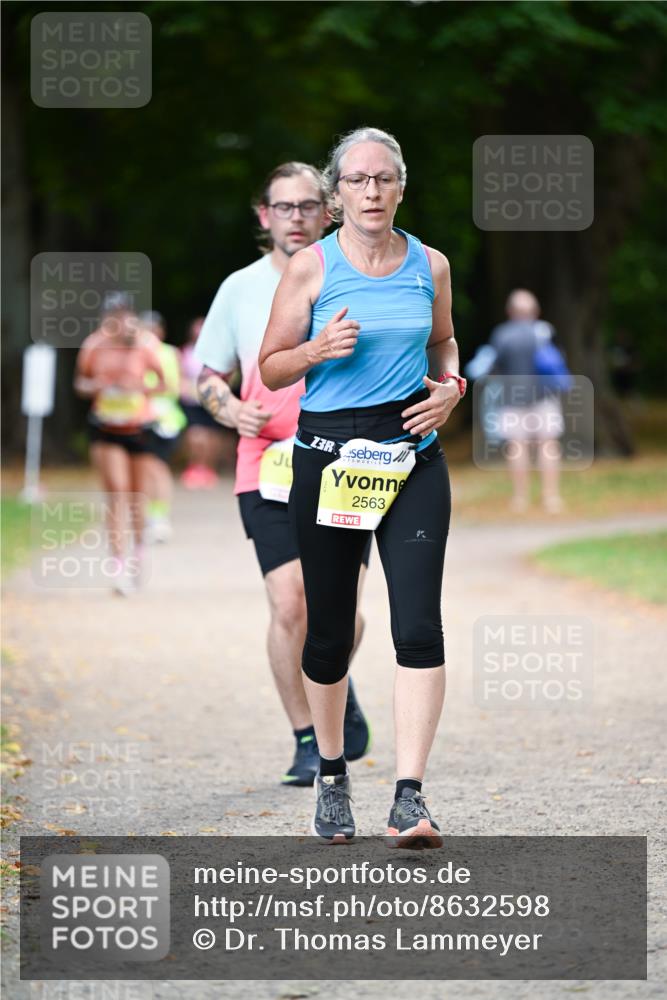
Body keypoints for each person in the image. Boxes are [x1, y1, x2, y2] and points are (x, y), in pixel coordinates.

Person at [259, 128, 464, 848]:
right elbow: (273, 367)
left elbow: (442, 341)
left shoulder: (429, 264)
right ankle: (332, 775)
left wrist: (452, 385)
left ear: (401, 186)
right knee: (326, 631)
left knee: (418, 625)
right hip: (329, 458)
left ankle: (409, 797)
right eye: (356, 181)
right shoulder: (311, 269)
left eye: (383, 179)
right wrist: (315, 348)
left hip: (412, 457)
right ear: (336, 193)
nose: (371, 192)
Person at [194, 161, 372, 787]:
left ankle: (330, 679)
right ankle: (306, 736)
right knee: (289, 600)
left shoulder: (355, 274)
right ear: (263, 214)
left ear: (328, 210)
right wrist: (231, 408)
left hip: (345, 461)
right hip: (265, 464)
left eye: (307, 205)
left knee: (343, 614)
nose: (295, 217)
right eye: (283, 207)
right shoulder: (240, 287)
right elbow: (207, 374)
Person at [74, 293, 165, 595]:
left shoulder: (145, 345)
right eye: (111, 317)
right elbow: (80, 383)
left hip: (138, 427)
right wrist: (97, 386)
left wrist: (138, 387)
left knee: (137, 497)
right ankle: (118, 564)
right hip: (105, 426)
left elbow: (164, 383)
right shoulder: (93, 345)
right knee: (117, 492)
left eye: (123, 316)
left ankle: (138, 552)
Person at [490, 289, 565, 514]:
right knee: (549, 445)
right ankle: (551, 497)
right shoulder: (544, 331)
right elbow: (558, 364)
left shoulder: (502, 334)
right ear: (535, 311)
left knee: (517, 447)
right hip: (545, 398)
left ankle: (520, 499)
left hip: (512, 399)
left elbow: (493, 368)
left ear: (510, 311)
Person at [139, 311, 187, 542]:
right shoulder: (138, 352)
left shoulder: (167, 353)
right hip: (141, 418)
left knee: (155, 467)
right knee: (147, 468)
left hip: (163, 420)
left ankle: (159, 518)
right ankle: (152, 516)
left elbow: (171, 387)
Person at [179, 318, 226, 489]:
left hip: (211, 399)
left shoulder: (216, 353)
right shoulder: (185, 352)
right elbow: (179, 376)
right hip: (192, 401)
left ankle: (208, 468)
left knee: (211, 436)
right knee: (195, 435)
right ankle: (194, 466)